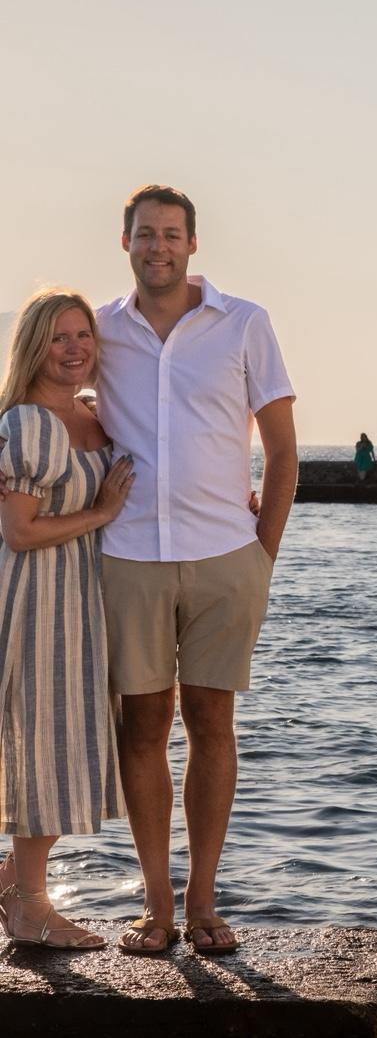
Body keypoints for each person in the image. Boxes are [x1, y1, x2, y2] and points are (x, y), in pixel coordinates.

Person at [97, 185, 297, 955]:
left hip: (225, 559)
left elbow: (281, 452)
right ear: (126, 243)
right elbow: (59, 403)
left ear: (192, 244)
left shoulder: (245, 324)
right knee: (141, 727)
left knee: (213, 722)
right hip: (128, 557)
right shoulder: (102, 331)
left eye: (172, 235)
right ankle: (155, 905)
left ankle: (205, 901)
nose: (159, 247)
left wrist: (261, 555)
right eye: (146, 234)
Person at [0, 289, 135, 949]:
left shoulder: (92, 415)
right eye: (59, 337)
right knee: (40, 746)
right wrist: (100, 516)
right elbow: (20, 534)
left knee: (70, 743)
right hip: (35, 599)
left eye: (83, 335)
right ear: (34, 345)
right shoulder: (27, 425)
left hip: (83, 600)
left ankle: (12, 882)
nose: (75, 347)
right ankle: (30, 907)